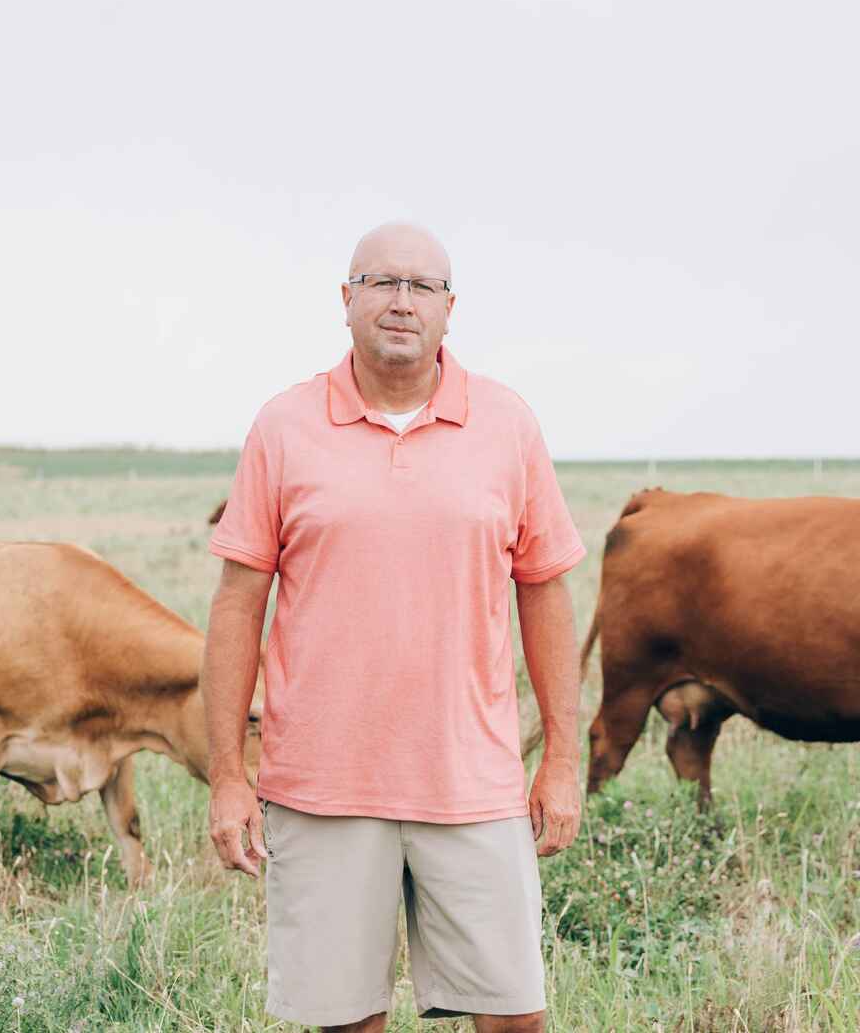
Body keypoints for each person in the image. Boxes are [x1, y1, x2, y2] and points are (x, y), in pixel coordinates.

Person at [201, 222, 586, 1033]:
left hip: (472, 781)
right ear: (346, 302)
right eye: (380, 283)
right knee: (346, 1022)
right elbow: (239, 603)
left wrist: (561, 756)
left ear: (450, 309)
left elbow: (545, 591)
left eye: (421, 287)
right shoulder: (284, 425)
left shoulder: (508, 424)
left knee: (516, 1018)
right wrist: (230, 775)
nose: (401, 302)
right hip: (322, 787)